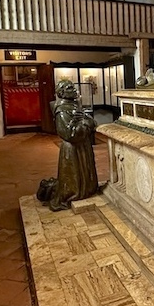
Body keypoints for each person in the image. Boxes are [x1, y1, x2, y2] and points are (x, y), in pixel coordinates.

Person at [50, 80, 99, 211]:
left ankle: (86, 188)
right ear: (62, 93)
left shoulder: (74, 105)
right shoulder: (61, 111)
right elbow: (69, 134)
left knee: (85, 171)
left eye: (73, 87)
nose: (74, 90)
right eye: (69, 88)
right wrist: (85, 123)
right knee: (75, 176)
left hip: (82, 145)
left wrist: (87, 121)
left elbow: (92, 122)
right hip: (72, 148)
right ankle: (74, 192)